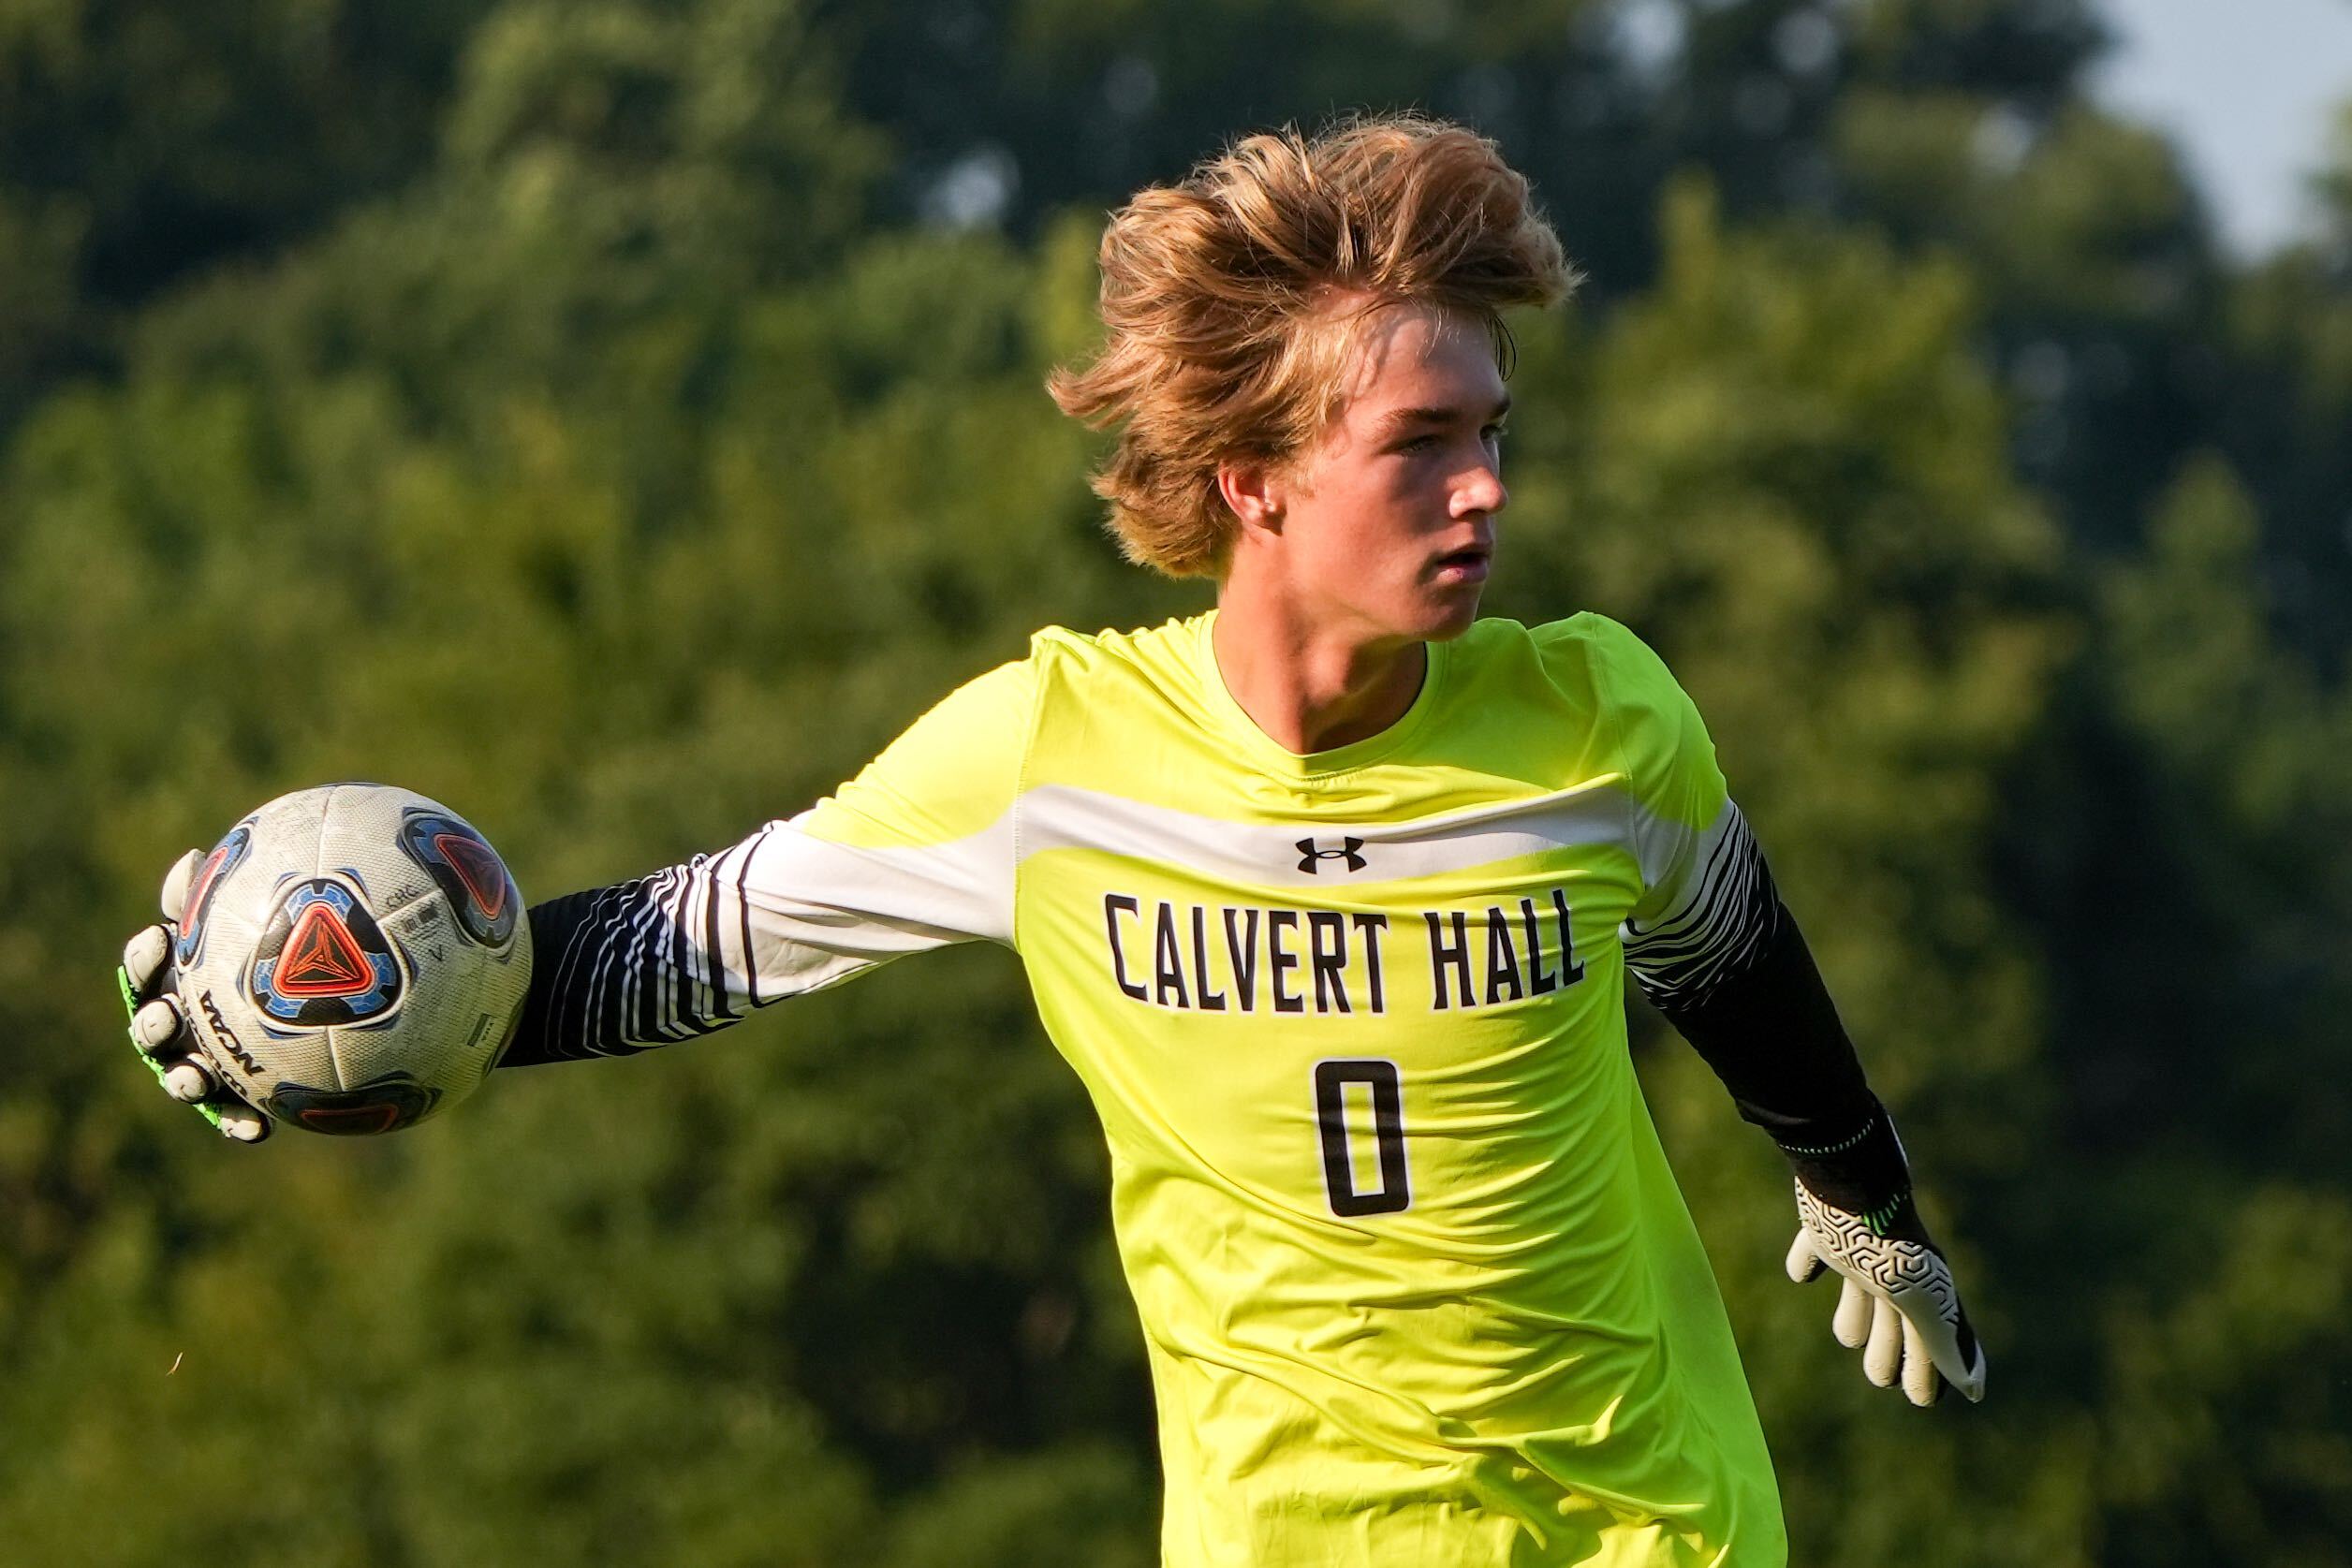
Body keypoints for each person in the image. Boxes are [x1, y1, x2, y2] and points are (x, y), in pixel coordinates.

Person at [120, 113, 1984, 1567]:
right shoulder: (1049, 756)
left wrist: (1859, 1195)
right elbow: (676, 950)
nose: (1483, 482)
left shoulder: (1595, 722)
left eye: (1491, 432)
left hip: (1640, 1528)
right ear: (1254, 480)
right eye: (1421, 442)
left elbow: (1727, 953)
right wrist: (330, 1012)